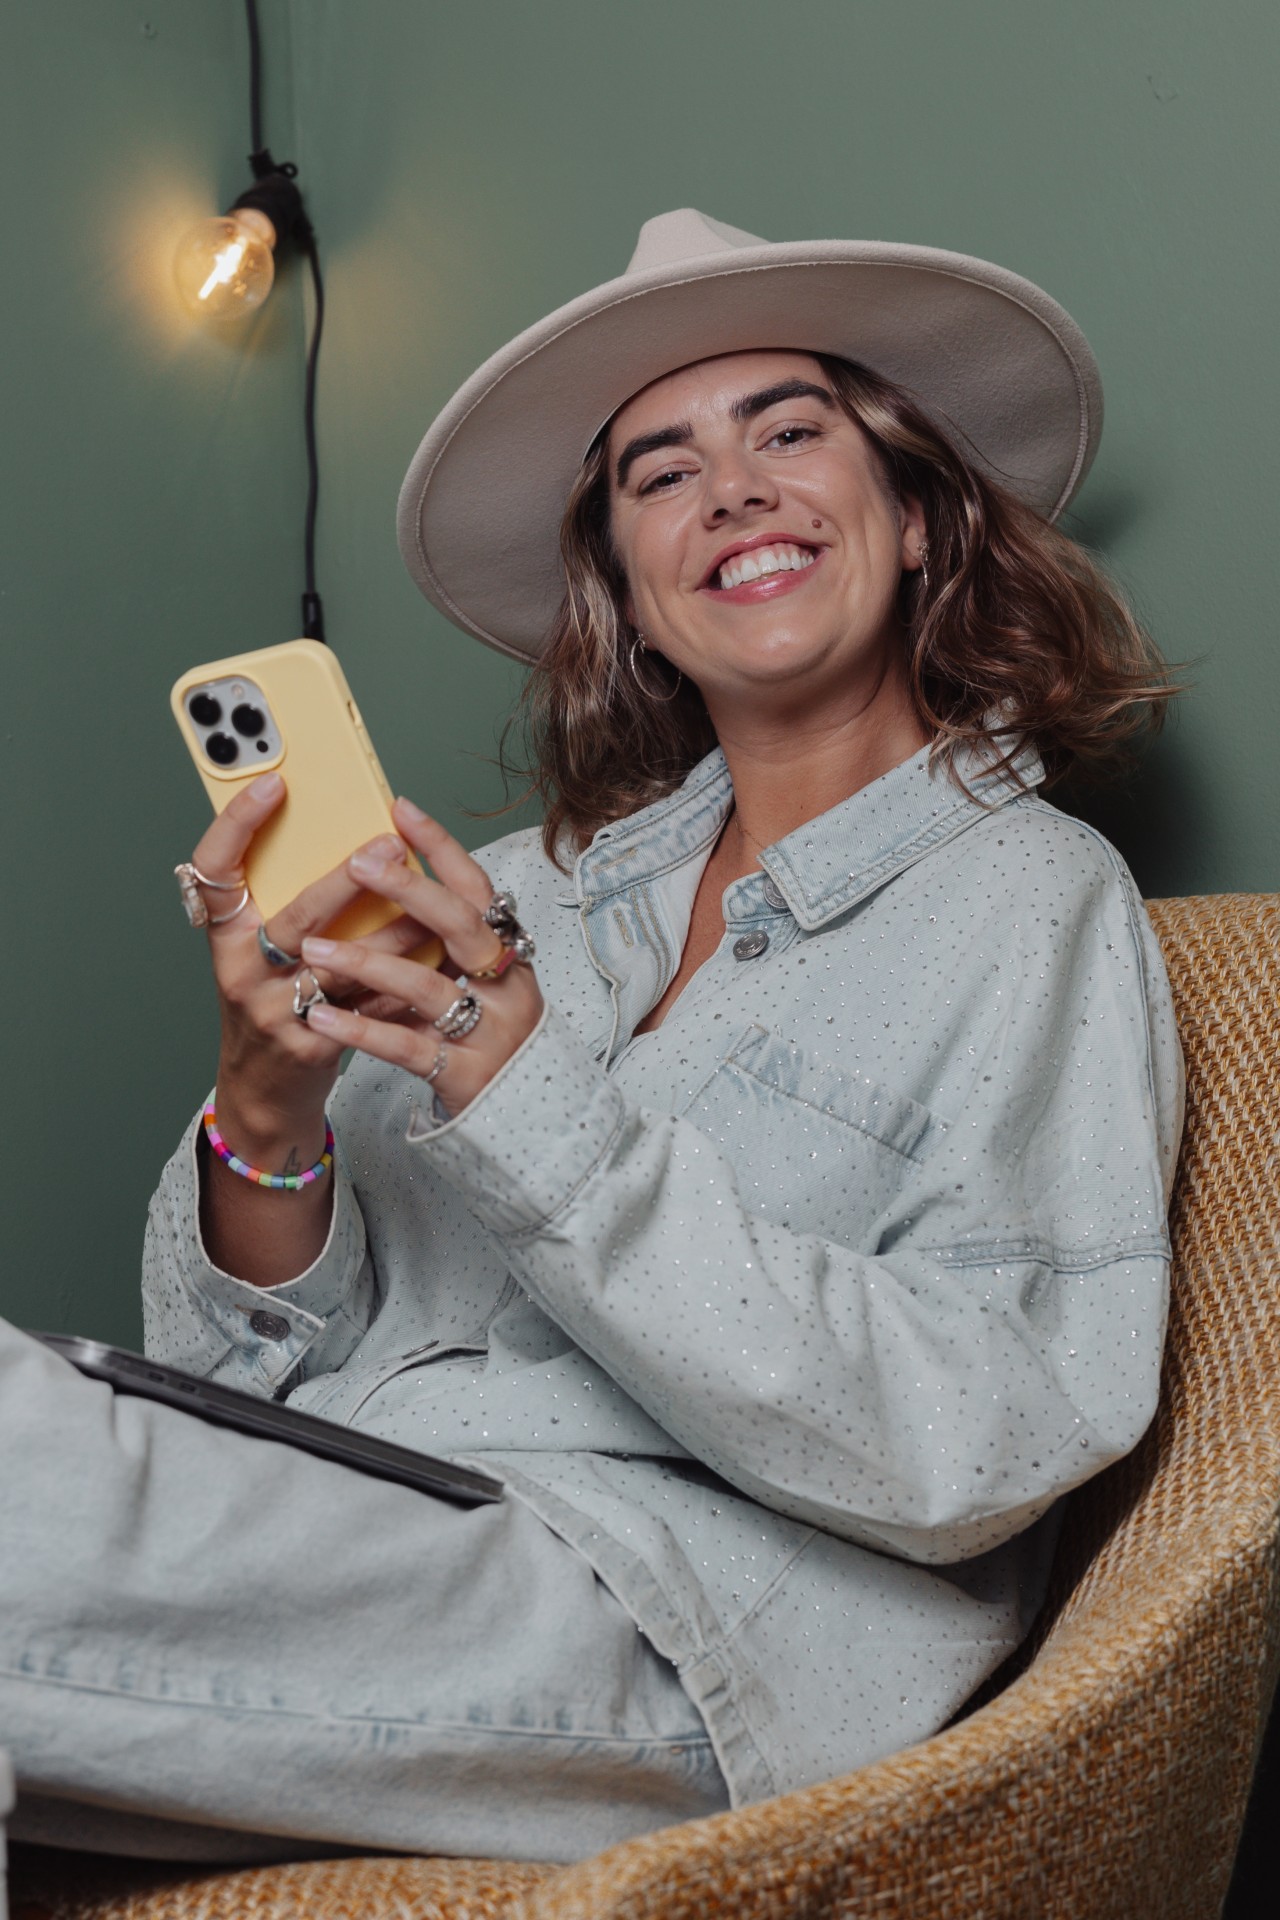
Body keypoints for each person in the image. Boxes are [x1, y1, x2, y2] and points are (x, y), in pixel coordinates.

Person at [2, 209, 1183, 1863]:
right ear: (628, 593)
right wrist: (264, 1111)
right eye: (663, 473)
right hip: (338, 1530)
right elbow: (232, 1378)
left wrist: (529, 1101)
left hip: (670, 1621)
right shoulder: (503, 895)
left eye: (790, 434)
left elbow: (990, 1438)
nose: (736, 492)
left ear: (916, 518)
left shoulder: (1031, 903)